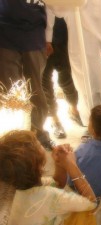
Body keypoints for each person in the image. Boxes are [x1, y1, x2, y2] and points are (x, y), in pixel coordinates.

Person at [0, 130, 97, 225]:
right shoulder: (52, 197)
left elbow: (57, 183)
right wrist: (71, 165)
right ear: (39, 166)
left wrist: (59, 164)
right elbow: (92, 203)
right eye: (39, 144)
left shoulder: (15, 182)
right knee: (83, 214)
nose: (40, 143)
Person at [0, 0, 54, 150]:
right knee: (10, 91)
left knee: (35, 88)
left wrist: (48, 37)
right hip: (5, 34)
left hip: (34, 35)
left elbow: (53, 7)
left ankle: (38, 133)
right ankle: (13, 137)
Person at [43, 16, 82, 139]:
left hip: (64, 36)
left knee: (68, 78)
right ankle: (54, 119)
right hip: (40, 37)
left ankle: (73, 109)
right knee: (45, 82)